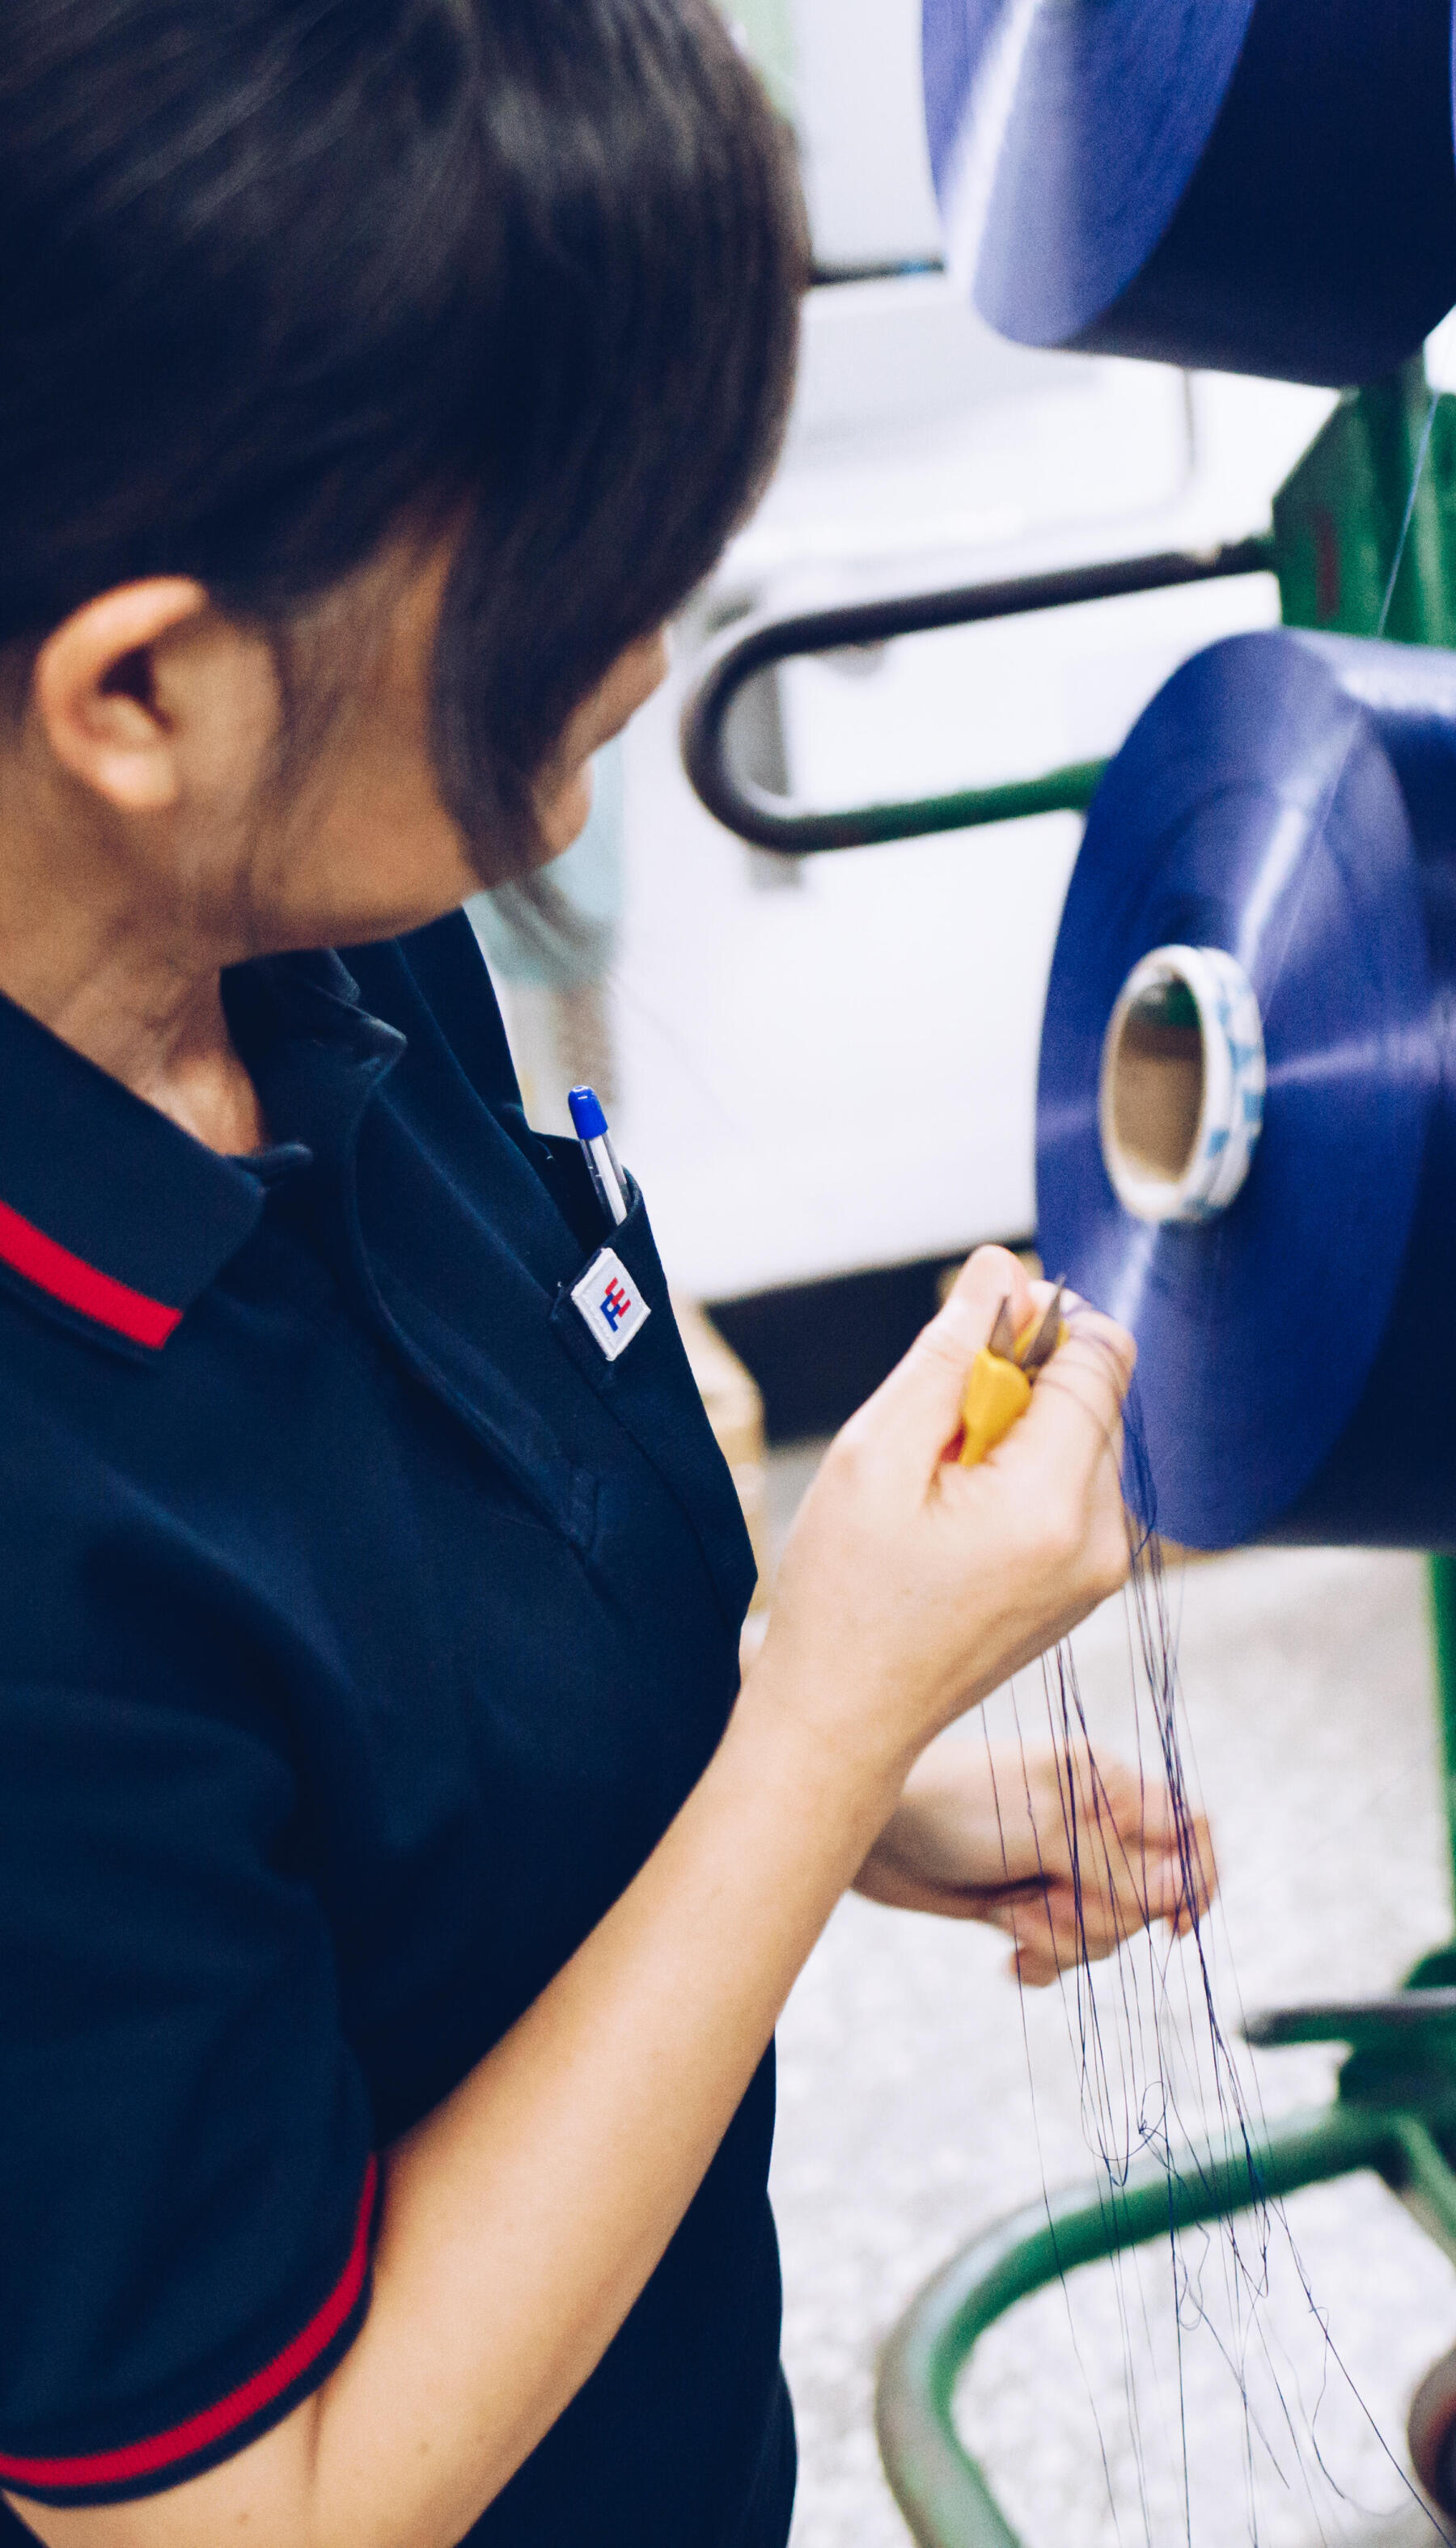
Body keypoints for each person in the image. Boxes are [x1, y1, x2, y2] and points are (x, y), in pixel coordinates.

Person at [0, 5, 1213, 2544]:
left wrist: (855, 1782)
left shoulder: (326, 934)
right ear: (143, 690)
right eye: (574, 574)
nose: (655, 648)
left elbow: (433, 1659)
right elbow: (255, 2511)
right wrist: (814, 1733)